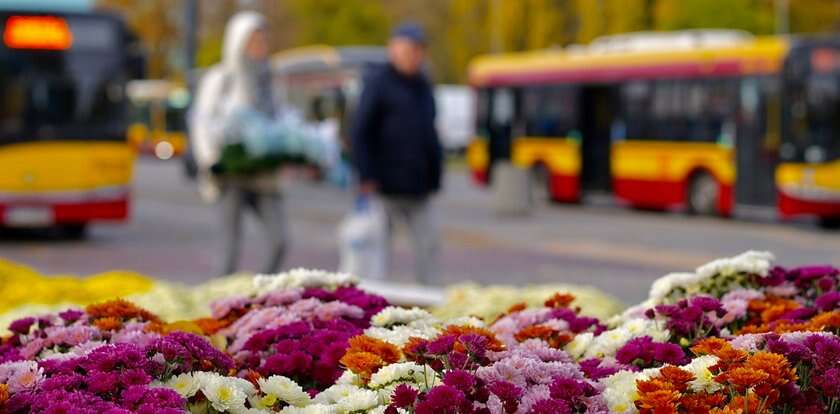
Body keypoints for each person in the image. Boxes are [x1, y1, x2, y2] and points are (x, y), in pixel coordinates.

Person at [190, 11, 288, 276]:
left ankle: (262, 295)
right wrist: (209, 159)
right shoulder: (220, 79)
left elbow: (282, 119)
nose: (260, 46)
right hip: (229, 174)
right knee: (229, 247)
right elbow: (202, 121)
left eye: (263, 39)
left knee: (279, 241)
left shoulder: (271, 81)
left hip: (264, 174)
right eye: (254, 39)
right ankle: (223, 306)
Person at [351, 23, 443, 284]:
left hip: (419, 185)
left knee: (429, 245)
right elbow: (360, 131)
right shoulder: (378, 82)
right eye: (408, 49)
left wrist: (435, 175)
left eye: (418, 50)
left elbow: (430, 133)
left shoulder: (424, 86)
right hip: (383, 184)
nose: (413, 55)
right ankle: (372, 304)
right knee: (376, 250)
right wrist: (366, 175)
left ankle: (431, 303)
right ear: (393, 49)